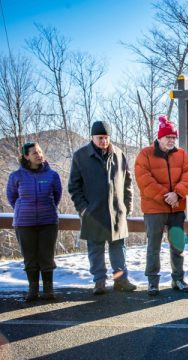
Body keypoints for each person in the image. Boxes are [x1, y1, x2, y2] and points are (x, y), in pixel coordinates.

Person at [68, 121, 136, 295]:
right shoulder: (81, 156)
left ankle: (121, 280)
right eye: (100, 138)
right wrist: (83, 209)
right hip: (93, 212)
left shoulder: (119, 154)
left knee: (118, 249)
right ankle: (99, 282)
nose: (104, 141)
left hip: (117, 212)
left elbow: (128, 182)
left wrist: (127, 206)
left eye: (106, 138)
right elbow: (74, 187)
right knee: (95, 249)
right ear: (92, 137)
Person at [135, 115, 188, 296]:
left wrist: (177, 194)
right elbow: (144, 180)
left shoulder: (181, 154)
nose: (171, 141)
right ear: (159, 137)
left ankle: (178, 279)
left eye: (173, 137)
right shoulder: (145, 154)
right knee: (154, 246)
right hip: (154, 209)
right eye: (168, 137)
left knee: (178, 246)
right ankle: (153, 282)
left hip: (177, 208)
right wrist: (165, 196)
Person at [7, 142, 62, 301]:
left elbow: (56, 195)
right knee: (30, 257)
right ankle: (33, 289)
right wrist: (24, 209)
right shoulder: (16, 176)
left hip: (48, 221)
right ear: (26, 156)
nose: (39, 155)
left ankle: (48, 289)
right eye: (34, 153)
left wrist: (47, 208)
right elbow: (12, 198)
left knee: (46, 256)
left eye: (39, 152)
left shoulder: (52, 175)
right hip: (24, 223)